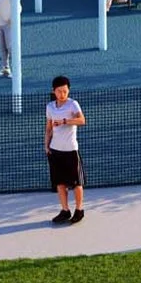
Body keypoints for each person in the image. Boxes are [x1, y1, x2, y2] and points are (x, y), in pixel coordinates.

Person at [45, 75, 86, 224]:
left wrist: (65, 121)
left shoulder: (73, 104)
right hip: (56, 150)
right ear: (53, 91)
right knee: (60, 183)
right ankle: (65, 210)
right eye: (59, 91)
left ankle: (79, 210)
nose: (62, 94)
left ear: (68, 90)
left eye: (65, 91)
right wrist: (46, 145)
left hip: (71, 150)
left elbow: (82, 120)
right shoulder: (50, 107)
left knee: (76, 183)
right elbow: (48, 128)